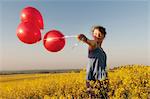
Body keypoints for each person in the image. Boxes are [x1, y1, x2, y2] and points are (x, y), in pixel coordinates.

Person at [77, 25, 109, 98]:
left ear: (103, 36)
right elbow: (89, 42)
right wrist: (84, 39)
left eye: (99, 34)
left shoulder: (101, 49)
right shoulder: (94, 45)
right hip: (93, 78)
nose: (97, 36)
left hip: (102, 77)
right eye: (95, 34)